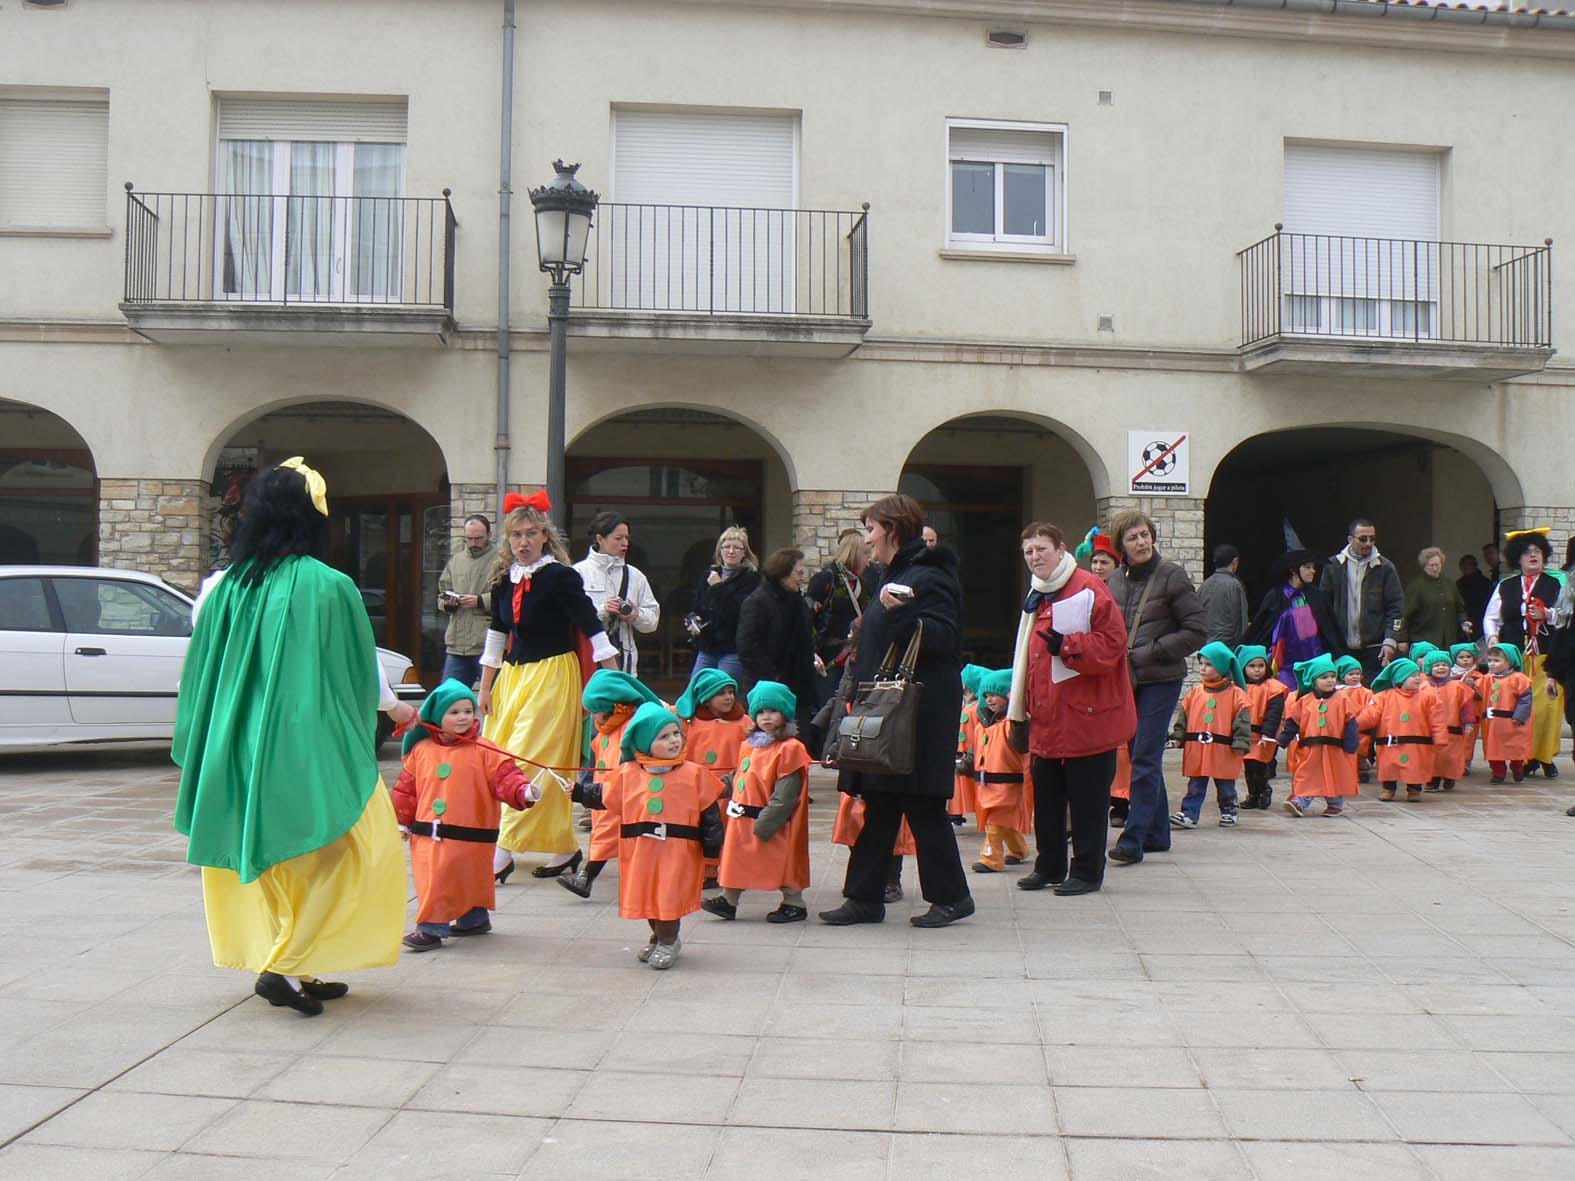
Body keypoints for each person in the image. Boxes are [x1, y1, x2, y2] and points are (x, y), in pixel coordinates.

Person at [173, 458, 415, 1017]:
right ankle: (284, 963)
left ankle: (296, 962)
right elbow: (360, 670)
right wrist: (393, 708)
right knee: (354, 848)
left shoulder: (223, 587)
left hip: (237, 743)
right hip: (305, 741)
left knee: (271, 858)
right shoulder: (330, 586)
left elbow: (200, 670)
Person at [820, 494, 974, 928]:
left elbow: (943, 637)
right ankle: (865, 898)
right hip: (890, 709)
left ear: (891, 529)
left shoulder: (927, 576)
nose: (866, 540)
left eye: (871, 529)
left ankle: (952, 897)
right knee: (882, 800)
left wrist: (901, 615)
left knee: (921, 803)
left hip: (917, 711)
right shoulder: (897, 574)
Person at [479, 492, 619, 883]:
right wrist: (485, 687)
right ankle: (563, 846)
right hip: (513, 678)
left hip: (553, 676)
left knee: (527, 760)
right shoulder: (503, 581)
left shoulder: (561, 577)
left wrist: (616, 679)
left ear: (545, 537)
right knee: (500, 757)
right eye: (515, 535)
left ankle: (503, 850)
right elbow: (496, 634)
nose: (523, 542)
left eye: (531, 534)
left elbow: (593, 627)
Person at [1008, 522, 1136, 896]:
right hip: (1049, 714)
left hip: (1088, 715)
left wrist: (1068, 646)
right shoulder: (1039, 592)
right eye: (1029, 551)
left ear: (1060, 549)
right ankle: (1049, 865)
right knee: (1046, 797)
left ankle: (1086, 871)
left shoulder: (1089, 588)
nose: (1035, 557)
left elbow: (1112, 646)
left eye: (1041, 550)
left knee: (1087, 801)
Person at [573, 702, 726, 969]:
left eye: (676, 733)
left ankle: (669, 940)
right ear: (644, 742)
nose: (674, 741)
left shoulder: (694, 774)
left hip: (677, 852)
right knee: (647, 896)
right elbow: (605, 795)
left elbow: (710, 814)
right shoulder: (629, 773)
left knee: (668, 896)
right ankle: (658, 936)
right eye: (663, 737)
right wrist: (578, 793)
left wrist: (712, 849)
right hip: (641, 851)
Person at [393, 679, 538, 950]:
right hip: (430, 835)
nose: (463, 717)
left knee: (470, 876)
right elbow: (407, 789)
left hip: (473, 834)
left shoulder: (486, 750)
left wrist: (524, 791)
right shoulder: (422, 751)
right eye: (454, 712)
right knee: (438, 878)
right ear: (438, 716)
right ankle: (435, 925)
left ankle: (468, 919)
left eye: (468, 711)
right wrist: (402, 820)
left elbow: (507, 778)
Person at [1104, 511, 1205, 867]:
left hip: (1160, 678)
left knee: (1145, 756)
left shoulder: (1171, 575)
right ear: (1122, 546)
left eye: (1145, 535)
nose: (1142, 542)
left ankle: (1133, 838)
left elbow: (1196, 630)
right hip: (1126, 680)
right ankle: (1158, 833)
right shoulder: (1113, 581)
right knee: (1139, 755)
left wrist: (1148, 653)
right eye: (1133, 537)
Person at [702, 681, 812, 923]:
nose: (766, 717)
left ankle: (794, 901)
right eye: (761, 712)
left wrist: (767, 822)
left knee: (783, 859)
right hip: (742, 816)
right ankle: (728, 899)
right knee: (736, 858)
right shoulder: (750, 746)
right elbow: (739, 776)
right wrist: (710, 789)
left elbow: (786, 795)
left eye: (773, 711)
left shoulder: (789, 749)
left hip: (771, 819)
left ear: (785, 713)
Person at [558, 669, 661, 900]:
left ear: (616, 707)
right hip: (605, 794)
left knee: (613, 837)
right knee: (606, 836)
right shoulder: (606, 730)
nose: (595, 718)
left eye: (598, 713)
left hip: (624, 795)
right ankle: (591, 877)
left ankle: (587, 877)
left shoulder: (633, 727)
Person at [1483, 528, 1565, 779]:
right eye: (1527, 552)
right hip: (1515, 656)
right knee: (1519, 707)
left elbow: (1566, 615)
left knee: (1547, 708)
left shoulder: (1556, 584)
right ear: (1517, 558)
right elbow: (1491, 618)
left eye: (1538, 552)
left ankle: (1545, 756)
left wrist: (1548, 615)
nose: (1533, 556)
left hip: (1547, 655)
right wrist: (1494, 640)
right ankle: (1524, 756)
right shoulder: (1505, 586)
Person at [676, 668, 752, 887]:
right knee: (702, 829)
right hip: (697, 787)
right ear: (706, 698)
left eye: (731, 692)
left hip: (731, 786)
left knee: (728, 829)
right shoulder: (689, 724)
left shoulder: (744, 723)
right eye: (721, 693)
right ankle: (706, 869)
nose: (729, 697)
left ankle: (725, 868)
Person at [736, 546, 821, 732]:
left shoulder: (797, 600)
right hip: (767, 688)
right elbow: (747, 646)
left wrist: (812, 656)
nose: (803, 577)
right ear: (783, 573)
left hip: (798, 687)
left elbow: (803, 638)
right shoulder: (757, 601)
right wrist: (772, 677)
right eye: (798, 573)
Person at [1168, 643, 1251, 829]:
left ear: (1222, 667)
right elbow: (1184, 718)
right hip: (1198, 749)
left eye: (1209, 664)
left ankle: (1229, 810)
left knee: (1225, 784)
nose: (1203, 668)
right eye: (1202, 664)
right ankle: (1189, 814)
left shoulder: (1237, 695)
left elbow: (1243, 722)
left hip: (1224, 749)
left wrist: (1241, 742)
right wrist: (1178, 736)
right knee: (1195, 784)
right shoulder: (1195, 693)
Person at [574, 511, 660, 676]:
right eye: (618, 538)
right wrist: (603, 611)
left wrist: (635, 615)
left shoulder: (635, 576)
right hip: (586, 660)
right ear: (600, 539)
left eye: (627, 538)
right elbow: (568, 619)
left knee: (624, 702)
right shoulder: (578, 573)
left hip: (624, 664)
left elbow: (652, 622)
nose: (625, 543)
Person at [1319, 517, 1404, 681]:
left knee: (1372, 695)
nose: (1368, 543)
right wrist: (1327, 641)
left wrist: (1391, 639)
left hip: (1375, 647)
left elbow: (1396, 607)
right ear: (1350, 539)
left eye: (1372, 538)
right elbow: (1324, 608)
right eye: (1363, 539)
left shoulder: (1385, 567)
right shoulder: (1333, 566)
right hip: (1341, 647)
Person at [1245, 549, 1344, 690]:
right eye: (1307, 567)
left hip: (1315, 662)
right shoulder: (1277, 596)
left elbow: (1330, 629)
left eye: (1313, 567)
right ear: (1294, 570)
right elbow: (1261, 628)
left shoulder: (1316, 596)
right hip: (1285, 666)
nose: (1313, 571)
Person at [1277, 654, 1362, 818]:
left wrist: (1351, 742)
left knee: (1332, 776)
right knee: (1307, 775)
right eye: (1324, 677)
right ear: (1314, 680)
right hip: (1311, 749)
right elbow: (1293, 722)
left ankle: (1335, 804)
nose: (1330, 680)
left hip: (1335, 749)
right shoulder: (1305, 701)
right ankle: (1299, 802)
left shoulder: (1343, 699)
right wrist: (1284, 739)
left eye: (1332, 676)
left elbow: (1350, 722)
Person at [962, 668, 1030, 873]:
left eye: (994, 695)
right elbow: (974, 755)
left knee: (995, 822)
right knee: (1003, 823)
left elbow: (1022, 744)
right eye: (986, 696)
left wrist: (1019, 714)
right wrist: (963, 765)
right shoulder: (982, 726)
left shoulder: (1014, 725)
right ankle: (1019, 849)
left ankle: (990, 858)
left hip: (1007, 785)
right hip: (987, 784)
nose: (989, 700)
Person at [1358, 657, 1446, 803]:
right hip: (1390, 743)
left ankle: (1414, 789)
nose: (1418, 678)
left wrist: (1440, 737)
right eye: (1413, 676)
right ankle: (1388, 788)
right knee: (1389, 766)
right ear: (1400, 678)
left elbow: (1437, 719)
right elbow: (1370, 714)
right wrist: (1355, 725)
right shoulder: (1383, 697)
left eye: (1418, 675)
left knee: (1415, 767)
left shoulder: (1429, 697)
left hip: (1417, 744)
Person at [807, 528, 875, 710]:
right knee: (827, 707)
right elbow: (808, 617)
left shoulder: (863, 583)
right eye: (866, 556)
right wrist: (811, 652)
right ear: (856, 555)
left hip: (854, 656)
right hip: (827, 658)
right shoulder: (824, 579)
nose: (869, 563)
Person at [688, 525, 761, 686]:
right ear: (719, 551)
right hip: (707, 646)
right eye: (726, 547)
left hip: (731, 649)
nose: (731, 551)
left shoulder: (751, 580)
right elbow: (697, 606)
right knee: (695, 691)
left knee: (723, 693)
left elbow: (737, 613)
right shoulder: (709, 575)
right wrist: (693, 620)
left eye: (737, 548)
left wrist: (718, 588)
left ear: (744, 553)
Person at [437, 514, 498, 688]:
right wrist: (447, 603)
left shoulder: (501, 560)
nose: (473, 543)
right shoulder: (456, 560)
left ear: (489, 535)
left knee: (495, 702)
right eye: (469, 539)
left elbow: (510, 599)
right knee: (448, 698)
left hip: (487, 644)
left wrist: (480, 601)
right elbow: (442, 593)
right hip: (456, 644)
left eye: (478, 538)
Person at [1237, 644, 1287, 810]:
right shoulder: (1238, 687)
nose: (1257, 670)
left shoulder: (1273, 688)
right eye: (1252, 666)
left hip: (1264, 735)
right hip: (1245, 734)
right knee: (1249, 767)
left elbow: (1273, 714)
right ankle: (1253, 794)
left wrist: (1267, 733)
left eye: (1260, 665)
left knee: (1260, 765)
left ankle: (1264, 790)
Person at [1477, 642, 1533, 783]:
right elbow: (1478, 691)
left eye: (1497, 660)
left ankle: (1517, 768)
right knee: (1494, 749)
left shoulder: (1520, 679)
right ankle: (1498, 773)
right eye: (1490, 661)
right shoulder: (1487, 678)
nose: (1492, 664)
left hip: (1513, 722)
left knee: (1516, 748)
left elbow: (1525, 700)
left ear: (1510, 662)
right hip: (1493, 724)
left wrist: (1520, 716)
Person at [1423, 649, 1475, 792]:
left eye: (1444, 665)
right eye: (1437, 665)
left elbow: (1467, 706)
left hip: (1453, 730)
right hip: (1430, 731)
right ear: (1429, 668)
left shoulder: (1458, 686)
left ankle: (1449, 778)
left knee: (1450, 758)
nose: (1441, 668)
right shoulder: (1423, 687)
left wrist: (1468, 722)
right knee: (1432, 758)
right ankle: (1432, 781)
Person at [1402, 546, 1470, 652]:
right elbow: (1405, 615)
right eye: (1431, 565)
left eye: (1437, 565)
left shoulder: (1449, 584)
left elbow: (1459, 608)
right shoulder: (1416, 586)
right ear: (1424, 566)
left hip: (1449, 641)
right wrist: (1402, 639)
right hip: (1424, 641)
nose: (1434, 568)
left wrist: (1464, 622)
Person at [1198, 544, 1250, 648]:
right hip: (1226, 648)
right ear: (1235, 561)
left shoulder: (1204, 585)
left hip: (1206, 647)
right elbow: (1240, 621)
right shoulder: (1234, 585)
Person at [1457, 554, 1494, 638]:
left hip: (1480, 619)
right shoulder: (1460, 583)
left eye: (1466, 566)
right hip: (1466, 619)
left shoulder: (1484, 583)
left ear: (1474, 566)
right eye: (1462, 567)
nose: (1464, 569)